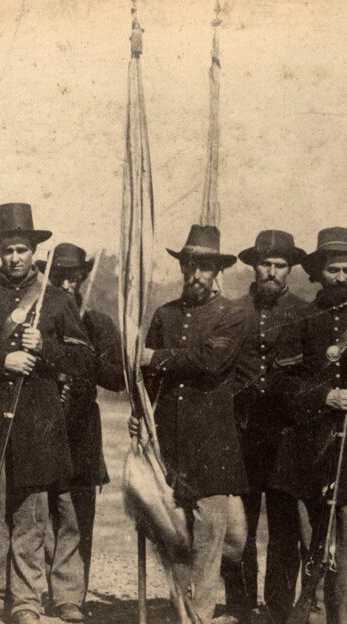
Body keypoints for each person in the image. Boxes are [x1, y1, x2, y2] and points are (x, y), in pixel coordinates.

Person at [0, 203, 94, 624]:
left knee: (31, 516)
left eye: (21, 250)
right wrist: (3, 360)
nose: (14, 258)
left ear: (34, 252)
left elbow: (84, 361)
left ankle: (26, 602)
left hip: (39, 423)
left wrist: (44, 347)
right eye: (7, 250)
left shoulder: (58, 301)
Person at [272, 227, 347, 624]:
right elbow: (281, 383)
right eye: (332, 270)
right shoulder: (298, 320)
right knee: (314, 550)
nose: (341, 277)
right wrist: (324, 397)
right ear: (317, 274)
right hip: (311, 450)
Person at [130, 224, 251, 624]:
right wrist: (139, 415)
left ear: (217, 271)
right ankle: (181, 612)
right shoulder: (165, 315)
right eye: (189, 265)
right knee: (174, 533)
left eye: (204, 267)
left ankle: (200, 614)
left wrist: (152, 357)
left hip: (213, 443)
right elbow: (145, 378)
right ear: (182, 266)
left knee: (211, 539)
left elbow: (209, 361)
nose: (195, 274)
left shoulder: (232, 315)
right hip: (169, 440)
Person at [220, 230, 307, 624]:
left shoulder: (307, 314)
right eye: (265, 264)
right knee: (239, 528)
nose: (272, 272)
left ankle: (277, 610)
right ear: (253, 266)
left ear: (290, 270)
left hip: (288, 439)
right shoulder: (232, 311)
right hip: (240, 436)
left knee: (286, 531)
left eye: (280, 265)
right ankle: (240, 607)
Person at [37, 242, 124, 623]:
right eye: (60, 278)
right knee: (36, 514)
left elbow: (117, 378)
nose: (69, 286)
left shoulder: (98, 323)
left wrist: (88, 352)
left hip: (81, 432)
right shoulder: (36, 319)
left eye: (75, 278)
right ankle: (33, 590)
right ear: (48, 279)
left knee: (74, 515)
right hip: (38, 429)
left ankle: (69, 596)